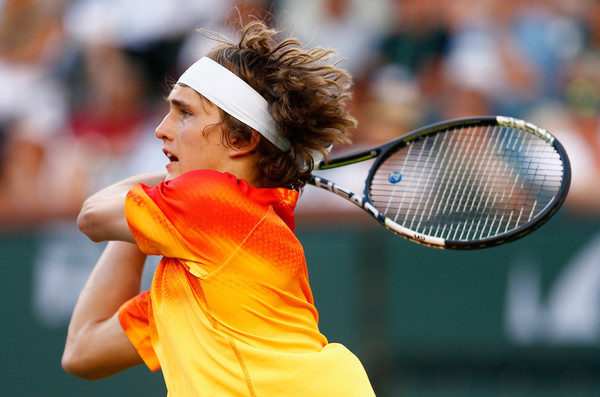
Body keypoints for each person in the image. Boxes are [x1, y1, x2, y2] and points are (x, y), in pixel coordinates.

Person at [61, 19, 375, 396]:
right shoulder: (204, 272)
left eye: (185, 113)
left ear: (241, 140)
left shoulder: (211, 202)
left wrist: (151, 194)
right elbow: (83, 351)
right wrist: (145, 216)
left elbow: (92, 217)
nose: (162, 129)